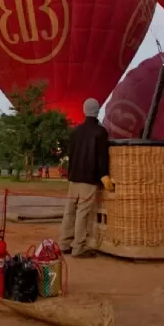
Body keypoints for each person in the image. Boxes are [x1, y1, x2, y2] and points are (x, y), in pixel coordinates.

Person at [59, 98, 113, 259]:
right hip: (89, 178)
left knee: (70, 211)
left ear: (84, 110)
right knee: (83, 213)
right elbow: (102, 157)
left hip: (74, 177)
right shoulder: (101, 132)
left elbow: (71, 155)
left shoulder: (75, 132)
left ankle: (64, 243)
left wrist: (70, 174)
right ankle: (79, 247)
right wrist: (104, 175)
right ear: (97, 110)